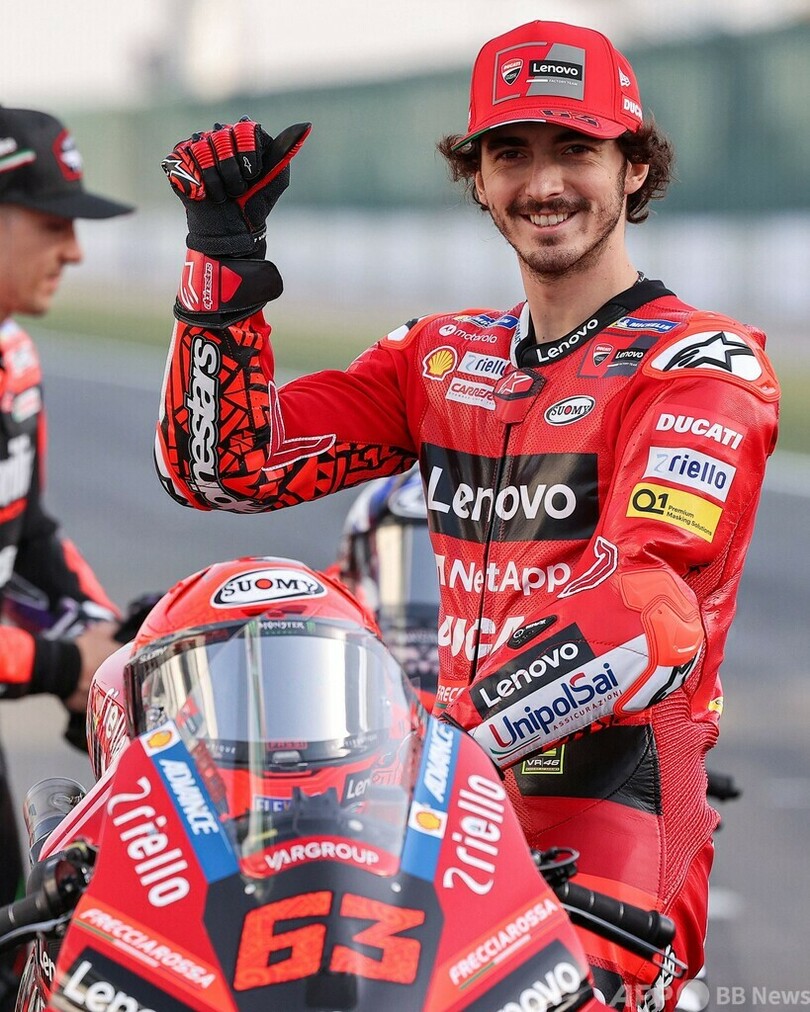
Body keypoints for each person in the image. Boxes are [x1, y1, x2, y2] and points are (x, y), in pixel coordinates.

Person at [155, 20, 779, 1009]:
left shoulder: (700, 364)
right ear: (479, 180)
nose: (544, 183)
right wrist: (221, 271)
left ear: (633, 169)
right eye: (511, 153)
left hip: (611, 808)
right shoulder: (441, 356)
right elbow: (223, 468)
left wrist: (428, 749)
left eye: (576, 149)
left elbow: (646, 617)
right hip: (440, 807)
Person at [0, 106, 132, 1004]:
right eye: (54, 222)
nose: (75, 250)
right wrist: (60, 662)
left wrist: (111, 641)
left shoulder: (14, 356)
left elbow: (28, 531)